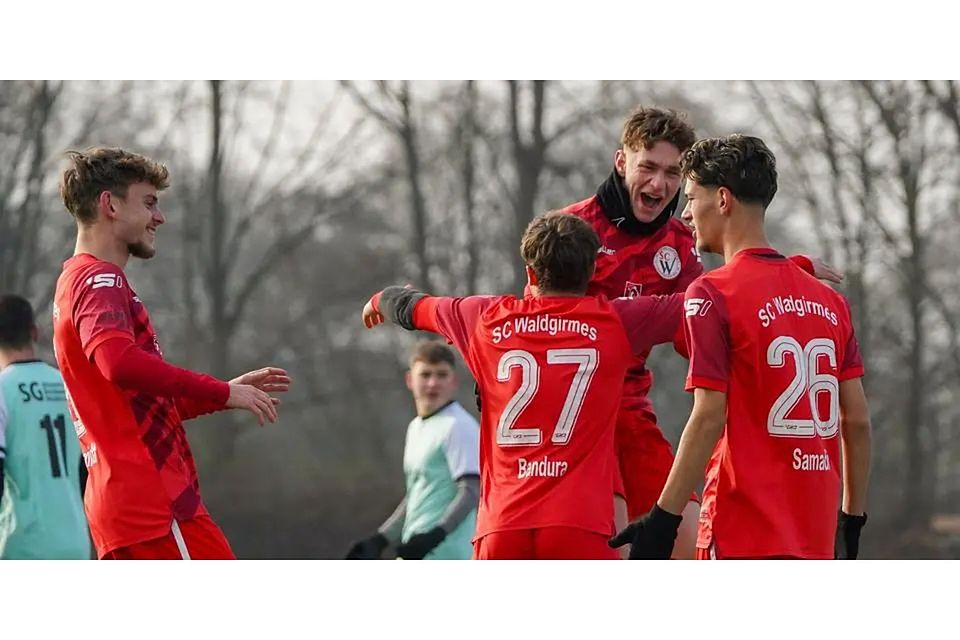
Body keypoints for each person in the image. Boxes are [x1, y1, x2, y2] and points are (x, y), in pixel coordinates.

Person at [558, 106, 842, 557]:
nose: (659, 185)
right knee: (606, 542)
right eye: (647, 168)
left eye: (673, 174)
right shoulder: (573, 230)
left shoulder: (679, 241)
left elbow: (703, 319)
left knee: (683, 537)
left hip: (631, 405)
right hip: (575, 411)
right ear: (621, 163)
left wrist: (787, 281)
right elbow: (537, 319)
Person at [362, 211, 690, 559]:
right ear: (592, 272)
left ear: (530, 272)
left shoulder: (484, 318)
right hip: (580, 524)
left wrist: (379, 300)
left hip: (502, 525)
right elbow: (701, 302)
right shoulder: (616, 320)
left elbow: (410, 306)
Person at [610, 134, 872, 560]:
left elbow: (709, 414)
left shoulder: (711, 293)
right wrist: (852, 518)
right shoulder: (830, 302)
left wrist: (663, 517)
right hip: (815, 535)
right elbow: (857, 420)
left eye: (692, 198)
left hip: (739, 531)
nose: (687, 213)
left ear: (724, 200)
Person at [53, 146, 291, 560]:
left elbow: (135, 407)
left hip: (126, 507)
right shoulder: (99, 279)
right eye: (148, 203)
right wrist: (221, 393)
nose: (159, 217)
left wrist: (221, 392)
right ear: (109, 204)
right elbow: (119, 363)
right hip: (154, 507)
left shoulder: (73, 281)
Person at [346, 341, 480, 560]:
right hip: (416, 550)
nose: (433, 383)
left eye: (441, 375)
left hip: (449, 554)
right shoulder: (416, 427)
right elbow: (418, 492)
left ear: (454, 381)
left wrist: (435, 536)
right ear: (410, 380)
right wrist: (381, 539)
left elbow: (471, 491)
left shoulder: (458, 426)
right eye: (425, 374)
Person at [0, 294, 91, 559]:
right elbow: (88, 471)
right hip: (75, 543)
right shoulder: (69, 386)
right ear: (34, 332)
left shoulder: (3, 390)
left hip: (21, 546)